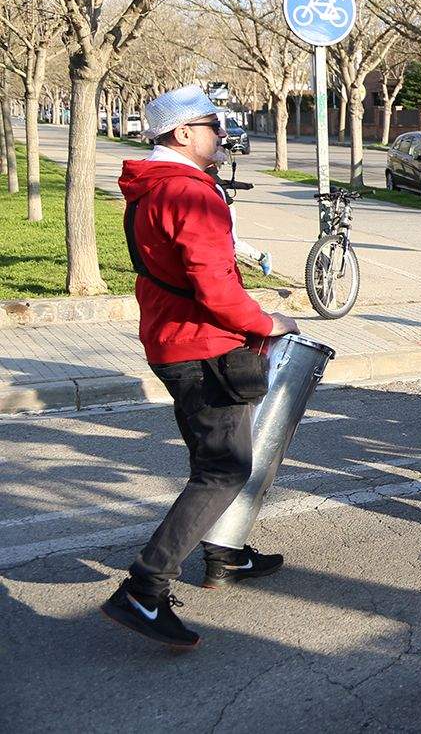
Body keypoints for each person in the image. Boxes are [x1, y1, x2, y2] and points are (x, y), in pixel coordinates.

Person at [103, 85, 301, 650]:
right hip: (205, 347)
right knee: (224, 469)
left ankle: (225, 552)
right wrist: (267, 322)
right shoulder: (189, 192)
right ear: (183, 133)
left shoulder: (152, 186)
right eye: (213, 125)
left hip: (173, 340)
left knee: (210, 461)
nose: (222, 134)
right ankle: (144, 589)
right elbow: (215, 287)